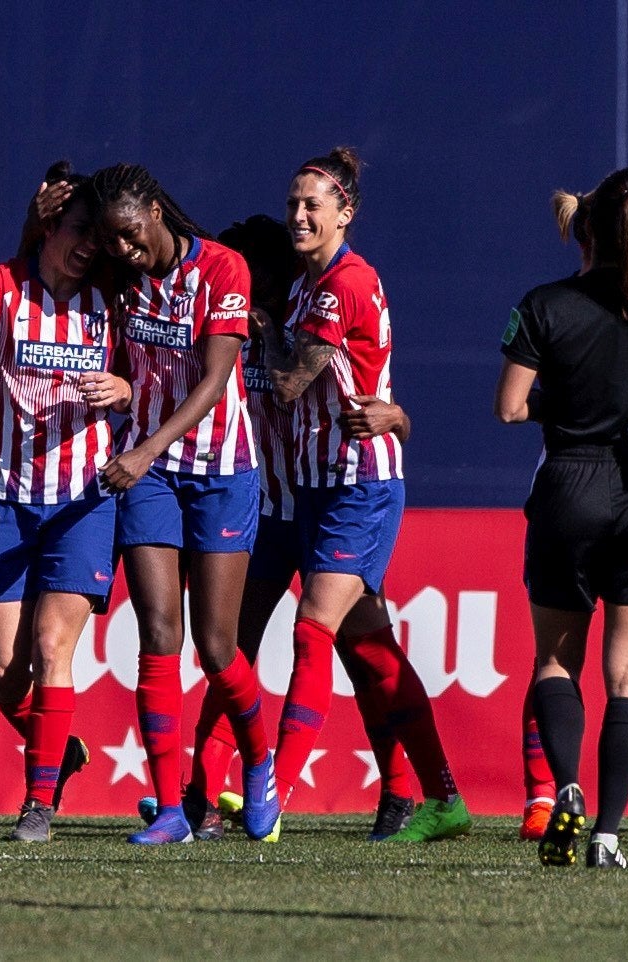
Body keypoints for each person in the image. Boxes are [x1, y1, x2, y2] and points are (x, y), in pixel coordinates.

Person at [181, 214, 418, 842]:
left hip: (323, 499)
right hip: (262, 515)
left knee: (362, 650)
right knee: (231, 652)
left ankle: (396, 791)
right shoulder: (221, 334)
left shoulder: (304, 314)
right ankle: (202, 797)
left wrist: (396, 415)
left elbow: (359, 381)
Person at [261, 147, 470, 843]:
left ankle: (273, 793)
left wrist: (247, 340)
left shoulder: (343, 283)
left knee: (312, 628)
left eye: (311, 205)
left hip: (360, 482)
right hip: (317, 485)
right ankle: (431, 796)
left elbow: (289, 385)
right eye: (292, 203)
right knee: (369, 651)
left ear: (344, 213)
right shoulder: (301, 286)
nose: (297, 215)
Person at [0, 163, 130, 843]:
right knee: (8, 676)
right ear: (45, 227)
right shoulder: (0, 284)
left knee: (52, 647)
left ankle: (38, 805)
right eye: (74, 231)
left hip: (83, 501)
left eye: (94, 237)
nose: (85, 246)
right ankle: (56, 746)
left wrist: (122, 391)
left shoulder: (114, 302)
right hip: (8, 500)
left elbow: (146, 377)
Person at [87, 163, 279, 845]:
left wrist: (140, 449)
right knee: (157, 637)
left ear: (157, 213)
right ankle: (170, 809)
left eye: (131, 236)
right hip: (152, 478)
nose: (122, 251)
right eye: (110, 241)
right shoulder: (119, 276)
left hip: (222, 472)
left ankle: (258, 760)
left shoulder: (223, 269)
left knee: (216, 645)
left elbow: (215, 378)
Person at [497, 167, 628, 869]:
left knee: (554, 661)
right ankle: (606, 832)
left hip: (568, 487)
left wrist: (567, 404)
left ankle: (562, 788)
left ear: (587, 233)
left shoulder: (545, 305)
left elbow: (510, 407)